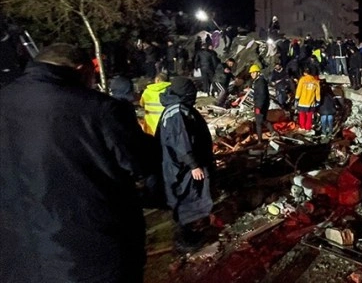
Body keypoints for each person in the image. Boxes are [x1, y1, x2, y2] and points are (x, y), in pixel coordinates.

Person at [0, 43, 151, 282]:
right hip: (90, 256)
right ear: (83, 71)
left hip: (17, 258)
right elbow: (142, 163)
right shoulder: (99, 109)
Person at [157, 76, 215, 253]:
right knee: (190, 200)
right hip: (182, 168)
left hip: (177, 166)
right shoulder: (177, 112)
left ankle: (188, 234)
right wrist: (194, 165)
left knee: (186, 199)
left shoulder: (172, 109)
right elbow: (181, 142)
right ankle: (189, 241)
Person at [249, 64, 277, 143]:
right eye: (251, 73)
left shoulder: (260, 82)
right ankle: (273, 132)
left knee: (258, 123)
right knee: (263, 120)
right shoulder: (260, 80)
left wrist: (258, 107)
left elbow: (262, 95)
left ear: (257, 72)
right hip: (262, 104)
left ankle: (259, 141)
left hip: (260, 105)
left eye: (253, 73)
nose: (251, 74)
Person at [294, 65, 321, 134]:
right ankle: (308, 128)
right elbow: (317, 93)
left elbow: (299, 90)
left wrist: (297, 98)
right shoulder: (315, 81)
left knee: (302, 115)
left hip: (303, 101)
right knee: (309, 116)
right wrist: (318, 100)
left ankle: (302, 127)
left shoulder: (302, 80)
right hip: (311, 102)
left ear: (305, 73)